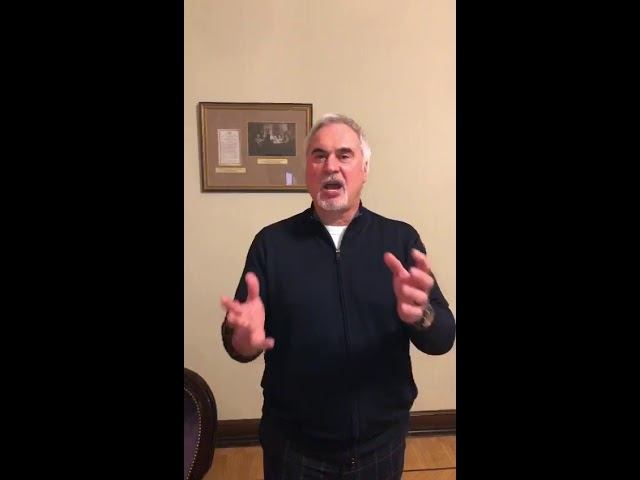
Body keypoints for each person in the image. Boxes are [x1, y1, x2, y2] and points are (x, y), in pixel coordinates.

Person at [220, 113, 456, 479]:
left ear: (365, 168)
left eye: (344, 155)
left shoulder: (400, 240)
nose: (331, 165)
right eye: (319, 155)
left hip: (381, 444)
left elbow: (442, 338)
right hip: (294, 447)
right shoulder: (272, 244)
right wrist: (243, 339)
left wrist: (421, 315)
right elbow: (238, 340)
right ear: (307, 171)